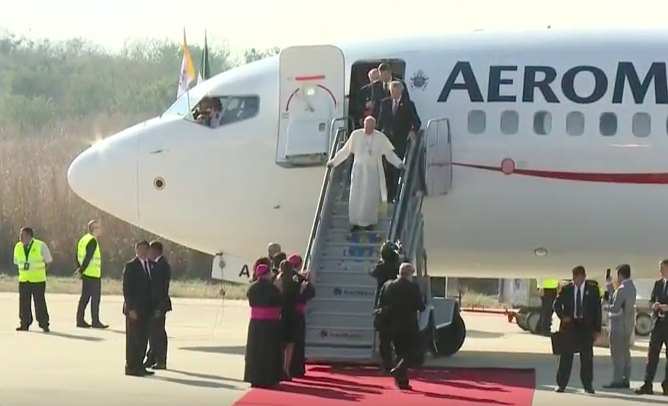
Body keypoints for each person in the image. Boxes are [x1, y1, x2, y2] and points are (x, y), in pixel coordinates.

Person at [327, 116, 404, 232]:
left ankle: (369, 223)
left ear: (374, 127)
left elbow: (390, 154)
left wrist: (399, 164)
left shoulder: (380, 137)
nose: (367, 129)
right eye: (366, 126)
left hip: (373, 171)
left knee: (370, 198)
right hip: (358, 171)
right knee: (356, 196)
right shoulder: (356, 135)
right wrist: (333, 162)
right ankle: (355, 222)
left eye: (370, 127)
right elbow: (345, 151)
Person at [553, 266, 602, 394]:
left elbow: (598, 310)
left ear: (584, 277)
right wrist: (563, 316)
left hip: (586, 327)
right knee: (566, 357)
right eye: (575, 278)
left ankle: (588, 385)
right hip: (570, 326)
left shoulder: (593, 289)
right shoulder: (567, 289)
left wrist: (597, 329)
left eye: (579, 278)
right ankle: (561, 384)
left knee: (586, 358)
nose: (577, 280)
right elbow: (556, 304)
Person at [377, 262, 425, 389]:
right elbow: (420, 306)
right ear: (410, 274)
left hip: (391, 324)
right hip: (408, 325)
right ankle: (399, 370)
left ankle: (402, 381)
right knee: (413, 351)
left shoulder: (388, 285)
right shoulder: (413, 287)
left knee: (399, 352)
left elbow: (380, 303)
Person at [375, 81, 422, 202]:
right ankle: (389, 196)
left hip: (400, 141)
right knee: (387, 169)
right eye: (392, 92)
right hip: (386, 141)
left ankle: (396, 196)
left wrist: (412, 131)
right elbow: (380, 121)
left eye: (396, 92)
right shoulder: (385, 103)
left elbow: (417, 122)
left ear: (401, 91)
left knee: (397, 169)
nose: (394, 94)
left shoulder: (408, 105)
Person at [244, 264, 283, 388]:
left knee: (255, 351)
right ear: (267, 274)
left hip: (255, 323)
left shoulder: (252, 288)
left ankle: (253, 377)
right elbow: (280, 302)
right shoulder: (273, 288)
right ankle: (269, 378)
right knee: (269, 351)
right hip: (270, 324)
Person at [635, 259, 668, 395]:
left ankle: (667, 385)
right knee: (652, 356)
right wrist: (653, 305)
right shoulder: (658, 284)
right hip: (657, 325)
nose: (660, 271)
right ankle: (647, 384)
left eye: (662, 268)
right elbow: (651, 300)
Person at [122, 241, 155, 377]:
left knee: (143, 339)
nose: (143, 252)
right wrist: (130, 309)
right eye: (140, 250)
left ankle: (140, 365)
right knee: (133, 339)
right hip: (134, 310)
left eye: (146, 250)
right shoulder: (131, 266)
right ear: (136, 251)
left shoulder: (151, 265)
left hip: (146, 310)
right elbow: (126, 289)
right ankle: (131, 366)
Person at [14, 227, 52, 332]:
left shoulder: (40, 245)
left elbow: (48, 261)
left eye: (23, 235)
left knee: (39, 303)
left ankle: (44, 324)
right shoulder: (18, 247)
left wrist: (41, 271)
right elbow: (17, 262)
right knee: (23, 303)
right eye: (20, 235)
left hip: (38, 280)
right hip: (24, 280)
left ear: (30, 236)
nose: (21, 238)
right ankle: (24, 323)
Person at [603, 264, 636, 389]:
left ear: (620, 275)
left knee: (617, 354)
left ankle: (617, 380)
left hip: (618, 326)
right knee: (626, 353)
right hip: (627, 325)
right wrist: (609, 286)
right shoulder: (631, 287)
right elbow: (618, 299)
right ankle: (625, 379)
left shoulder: (622, 289)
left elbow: (615, 307)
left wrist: (605, 307)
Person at [370, 241, 401, 373]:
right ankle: (399, 364)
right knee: (397, 337)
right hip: (397, 305)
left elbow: (371, 272)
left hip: (383, 304)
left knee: (384, 340)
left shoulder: (380, 268)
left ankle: (387, 365)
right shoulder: (397, 267)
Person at [75, 220, 108, 329]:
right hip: (93, 275)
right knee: (95, 299)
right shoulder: (92, 241)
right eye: (98, 227)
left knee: (84, 297)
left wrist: (80, 269)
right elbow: (88, 257)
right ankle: (95, 321)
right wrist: (81, 270)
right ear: (94, 229)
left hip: (87, 274)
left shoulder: (83, 239)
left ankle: (80, 320)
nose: (100, 229)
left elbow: (78, 255)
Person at [286, 254, 316, 378]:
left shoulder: (282, 277)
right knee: (297, 342)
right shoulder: (298, 279)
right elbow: (310, 293)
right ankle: (296, 369)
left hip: (284, 314)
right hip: (297, 314)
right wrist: (308, 281)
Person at [144, 241, 172, 370]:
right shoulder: (157, 264)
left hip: (158, 305)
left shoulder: (162, 265)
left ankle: (161, 360)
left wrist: (158, 308)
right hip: (154, 304)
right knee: (153, 332)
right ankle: (152, 358)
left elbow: (161, 289)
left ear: (155, 251)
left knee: (158, 333)